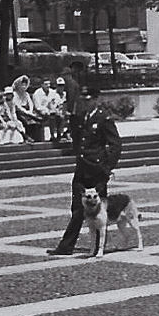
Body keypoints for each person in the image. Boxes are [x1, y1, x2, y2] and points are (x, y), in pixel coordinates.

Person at [47, 85, 122, 256]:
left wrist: (107, 166)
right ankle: (66, 246)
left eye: (88, 99)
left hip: (96, 171)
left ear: (96, 99)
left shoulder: (104, 119)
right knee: (76, 208)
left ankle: (97, 247)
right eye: (83, 99)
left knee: (97, 210)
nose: (85, 102)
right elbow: (78, 139)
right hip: (82, 168)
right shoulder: (81, 117)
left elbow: (116, 144)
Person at [12, 75, 42, 141]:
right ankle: (27, 137)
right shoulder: (14, 94)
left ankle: (37, 138)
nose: (24, 87)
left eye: (25, 85)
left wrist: (30, 111)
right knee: (26, 121)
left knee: (37, 121)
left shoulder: (26, 94)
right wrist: (27, 113)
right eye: (22, 85)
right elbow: (17, 107)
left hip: (29, 113)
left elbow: (31, 104)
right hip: (19, 113)